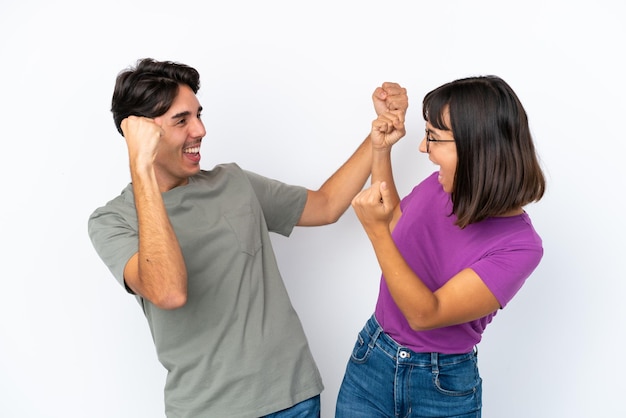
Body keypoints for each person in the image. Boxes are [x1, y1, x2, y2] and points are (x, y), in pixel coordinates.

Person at [87, 57, 407, 418]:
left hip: (292, 398)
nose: (200, 130)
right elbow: (168, 291)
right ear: (141, 134)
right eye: (182, 120)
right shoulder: (113, 220)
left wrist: (378, 135)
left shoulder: (233, 182)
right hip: (207, 410)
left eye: (198, 114)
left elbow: (327, 205)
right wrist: (140, 166)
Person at [335, 75, 546, 417]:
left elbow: (425, 313)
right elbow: (391, 223)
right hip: (371, 359)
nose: (423, 148)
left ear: (478, 146)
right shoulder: (441, 187)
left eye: (433, 137)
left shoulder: (520, 247)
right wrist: (380, 148)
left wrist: (375, 234)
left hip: (441, 386)